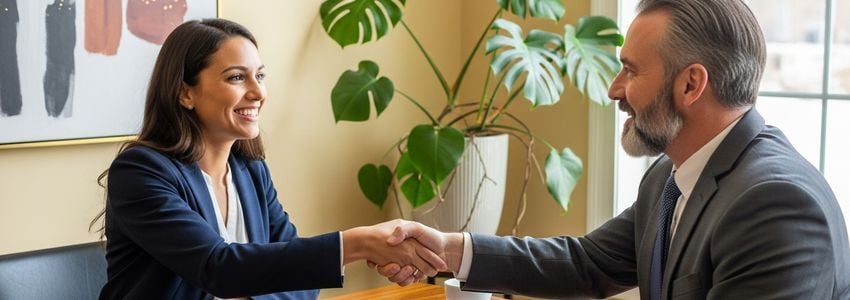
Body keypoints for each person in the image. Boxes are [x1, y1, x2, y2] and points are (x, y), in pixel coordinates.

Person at [374, 0, 850, 299]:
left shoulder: (776, 205)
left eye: (631, 70)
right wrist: (451, 251)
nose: (613, 89)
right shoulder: (671, 175)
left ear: (691, 85)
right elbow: (588, 263)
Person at [89, 19, 443, 299]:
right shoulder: (141, 172)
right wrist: (359, 243)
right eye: (236, 77)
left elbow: (302, 278)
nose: (258, 92)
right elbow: (218, 269)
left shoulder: (250, 171)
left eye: (259, 76)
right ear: (185, 93)